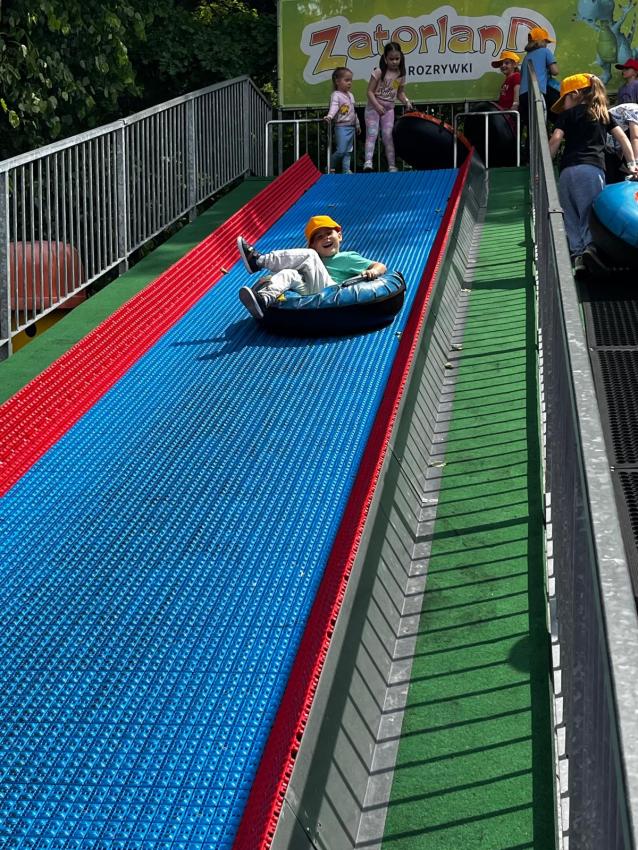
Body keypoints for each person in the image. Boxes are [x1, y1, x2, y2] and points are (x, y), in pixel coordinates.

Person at [548, 73, 638, 277]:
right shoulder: (601, 113)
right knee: (590, 212)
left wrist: (545, 162)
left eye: (564, 100)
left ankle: (578, 255)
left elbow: (556, 139)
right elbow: (623, 138)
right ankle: (591, 248)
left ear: (576, 94)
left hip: (566, 172)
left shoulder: (567, 115)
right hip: (591, 170)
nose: (564, 105)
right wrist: (632, 164)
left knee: (570, 214)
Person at [236, 215, 387, 319]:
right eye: (319, 237)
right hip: (311, 290)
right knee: (289, 273)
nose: (326, 238)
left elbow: (380, 266)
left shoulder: (346, 257)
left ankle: (258, 261)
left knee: (310, 256)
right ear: (313, 245)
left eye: (329, 233)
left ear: (339, 236)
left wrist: (374, 271)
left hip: (332, 292)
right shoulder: (312, 262)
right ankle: (264, 300)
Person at [363, 42, 413, 172]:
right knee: (372, 133)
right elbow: (369, 92)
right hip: (373, 108)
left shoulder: (401, 75)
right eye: (391, 59)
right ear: (385, 58)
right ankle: (368, 162)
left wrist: (407, 102)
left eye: (397, 58)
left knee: (387, 135)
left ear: (401, 58)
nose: (394, 62)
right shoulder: (379, 72)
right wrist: (377, 106)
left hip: (388, 109)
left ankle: (392, 165)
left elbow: (400, 93)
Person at [518, 26, 559, 158]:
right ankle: (541, 157)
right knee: (541, 124)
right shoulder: (545, 52)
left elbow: (522, 76)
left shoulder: (526, 57)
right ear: (541, 41)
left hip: (523, 95)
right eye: (546, 41)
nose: (547, 44)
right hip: (536, 93)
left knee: (531, 126)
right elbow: (555, 71)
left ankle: (529, 156)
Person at [324, 67, 361, 174]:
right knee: (341, 150)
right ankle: (329, 167)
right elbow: (334, 107)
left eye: (351, 80)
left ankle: (346, 170)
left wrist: (357, 125)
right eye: (346, 80)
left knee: (348, 151)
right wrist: (330, 116)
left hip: (351, 126)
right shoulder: (336, 95)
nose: (349, 83)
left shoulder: (350, 95)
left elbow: (353, 111)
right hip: (341, 126)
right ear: (337, 81)